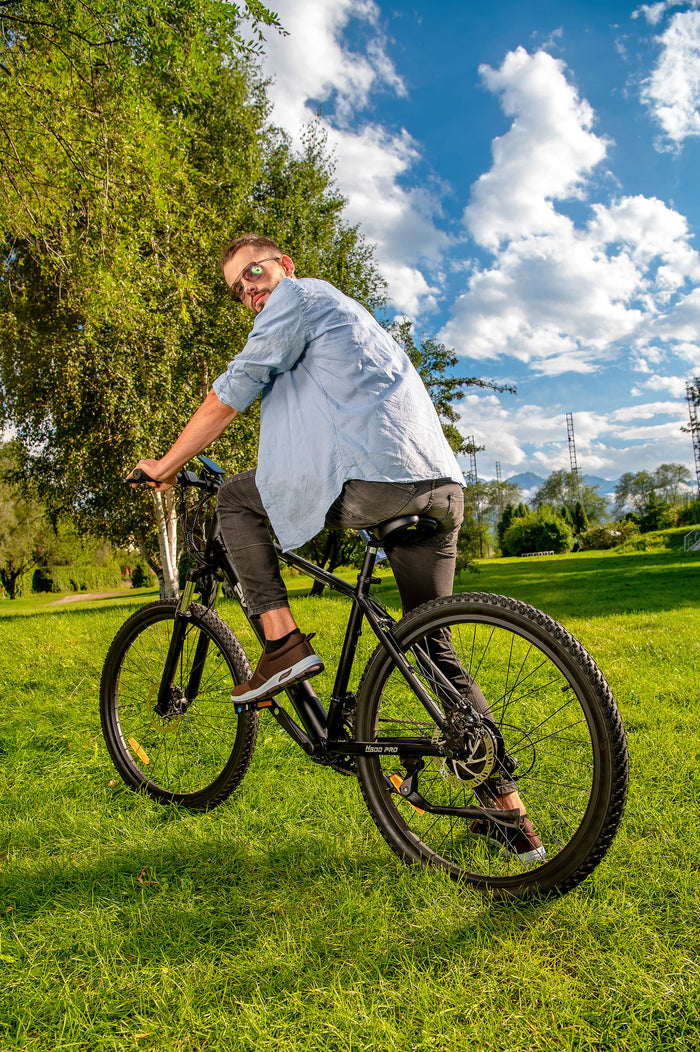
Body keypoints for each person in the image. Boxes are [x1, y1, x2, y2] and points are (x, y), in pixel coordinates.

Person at [129, 232, 544, 864]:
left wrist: (166, 463)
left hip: (377, 480)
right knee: (431, 644)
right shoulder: (343, 314)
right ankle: (510, 817)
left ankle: (282, 646)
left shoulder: (295, 300)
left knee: (236, 499)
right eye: (238, 289)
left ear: (284, 265)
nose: (249, 291)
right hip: (438, 485)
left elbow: (231, 390)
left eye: (254, 273)